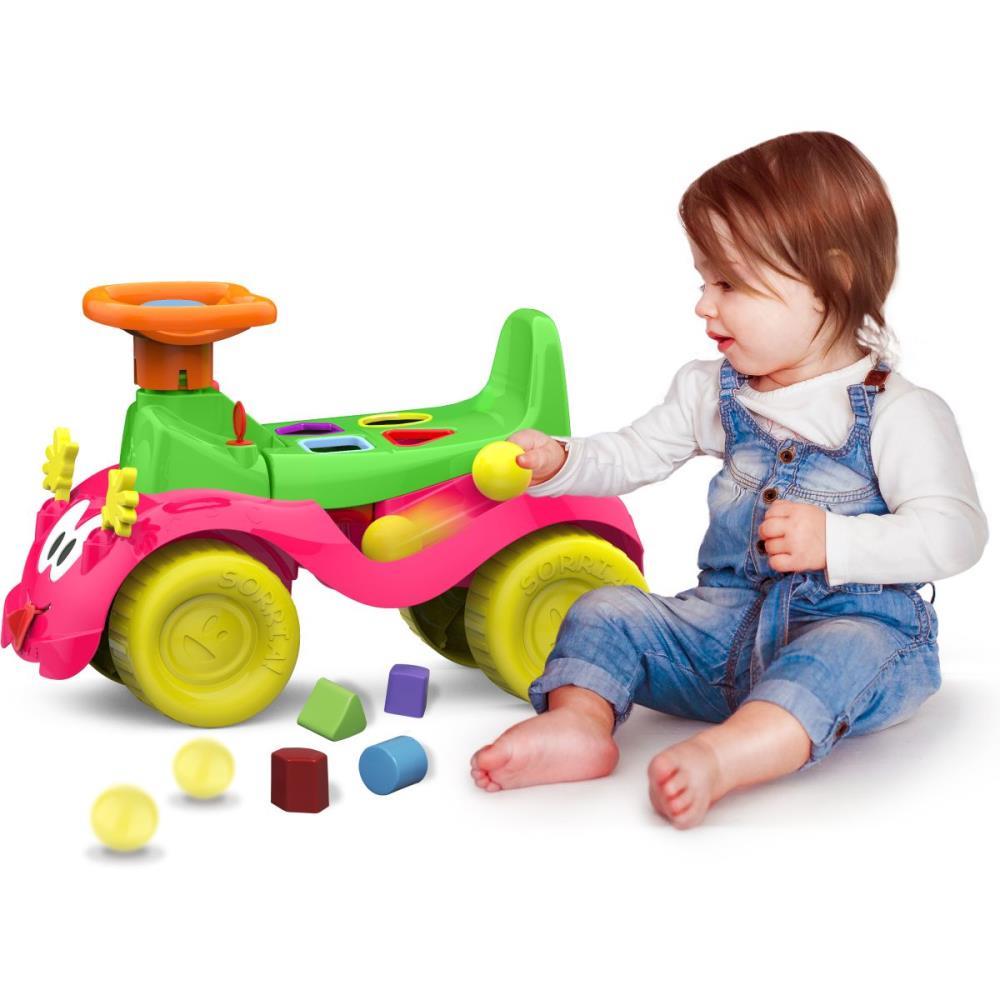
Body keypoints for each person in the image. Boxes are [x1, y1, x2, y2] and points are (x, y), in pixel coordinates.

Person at [469, 131, 989, 829]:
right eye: (703, 279)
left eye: (729, 284)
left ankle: (728, 755)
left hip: (854, 626)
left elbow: (956, 533)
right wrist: (561, 461)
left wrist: (836, 541)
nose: (703, 305)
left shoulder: (899, 411)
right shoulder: (712, 391)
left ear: (829, 283)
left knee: (839, 656)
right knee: (606, 608)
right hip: (721, 632)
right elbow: (634, 452)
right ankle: (579, 723)